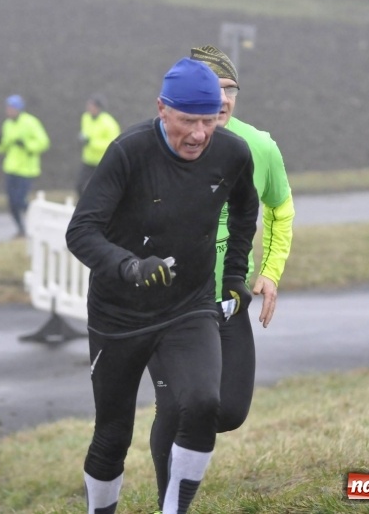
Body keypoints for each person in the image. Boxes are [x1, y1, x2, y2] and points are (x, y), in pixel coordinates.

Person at [65, 57, 259, 514]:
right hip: (119, 315)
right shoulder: (129, 151)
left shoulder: (232, 153)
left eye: (208, 120)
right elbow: (80, 231)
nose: (198, 133)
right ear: (162, 110)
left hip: (187, 307)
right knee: (113, 434)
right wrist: (129, 266)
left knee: (203, 402)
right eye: (187, 120)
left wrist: (234, 275)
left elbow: (246, 210)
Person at [147, 45, 296, 510]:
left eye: (231, 89)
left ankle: (181, 439)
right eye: (215, 90)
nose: (225, 99)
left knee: (227, 409)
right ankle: (170, 502)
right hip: (168, 305)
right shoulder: (162, 145)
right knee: (180, 405)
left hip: (227, 300)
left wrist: (270, 272)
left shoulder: (260, 147)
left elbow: (280, 209)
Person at [0, 94, 51, 237]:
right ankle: (21, 230)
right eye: (8, 108)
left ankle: (38, 220)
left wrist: (27, 145)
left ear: (18, 109)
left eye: (11, 108)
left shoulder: (31, 122)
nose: (9, 111)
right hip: (11, 168)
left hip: (27, 169)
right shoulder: (7, 124)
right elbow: (4, 148)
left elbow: (44, 142)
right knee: (12, 204)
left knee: (20, 201)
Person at [76, 93, 121, 198]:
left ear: (99, 107)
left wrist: (91, 142)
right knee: (79, 186)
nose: (89, 108)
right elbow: (86, 133)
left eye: (92, 105)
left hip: (102, 162)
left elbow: (113, 143)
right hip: (88, 160)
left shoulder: (109, 123)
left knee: (99, 189)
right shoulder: (85, 117)